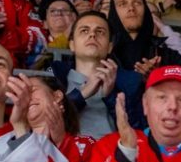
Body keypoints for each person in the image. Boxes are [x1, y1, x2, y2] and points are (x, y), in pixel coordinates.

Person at [51, 10, 145, 138]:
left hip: (113, 149)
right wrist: (81, 95)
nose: (92, 35)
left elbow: (139, 133)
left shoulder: (130, 82)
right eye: (84, 31)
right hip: (67, 150)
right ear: (72, 45)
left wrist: (111, 96)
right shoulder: (54, 79)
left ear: (110, 47)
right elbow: (45, 122)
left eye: (100, 32)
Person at [106, 0, 181, 73]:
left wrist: (157, 76)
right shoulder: (104, 54)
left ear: (146, 10)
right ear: (113, 12)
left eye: (137, 3)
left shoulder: (169, 57)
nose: (131, 8)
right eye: (123, 4)